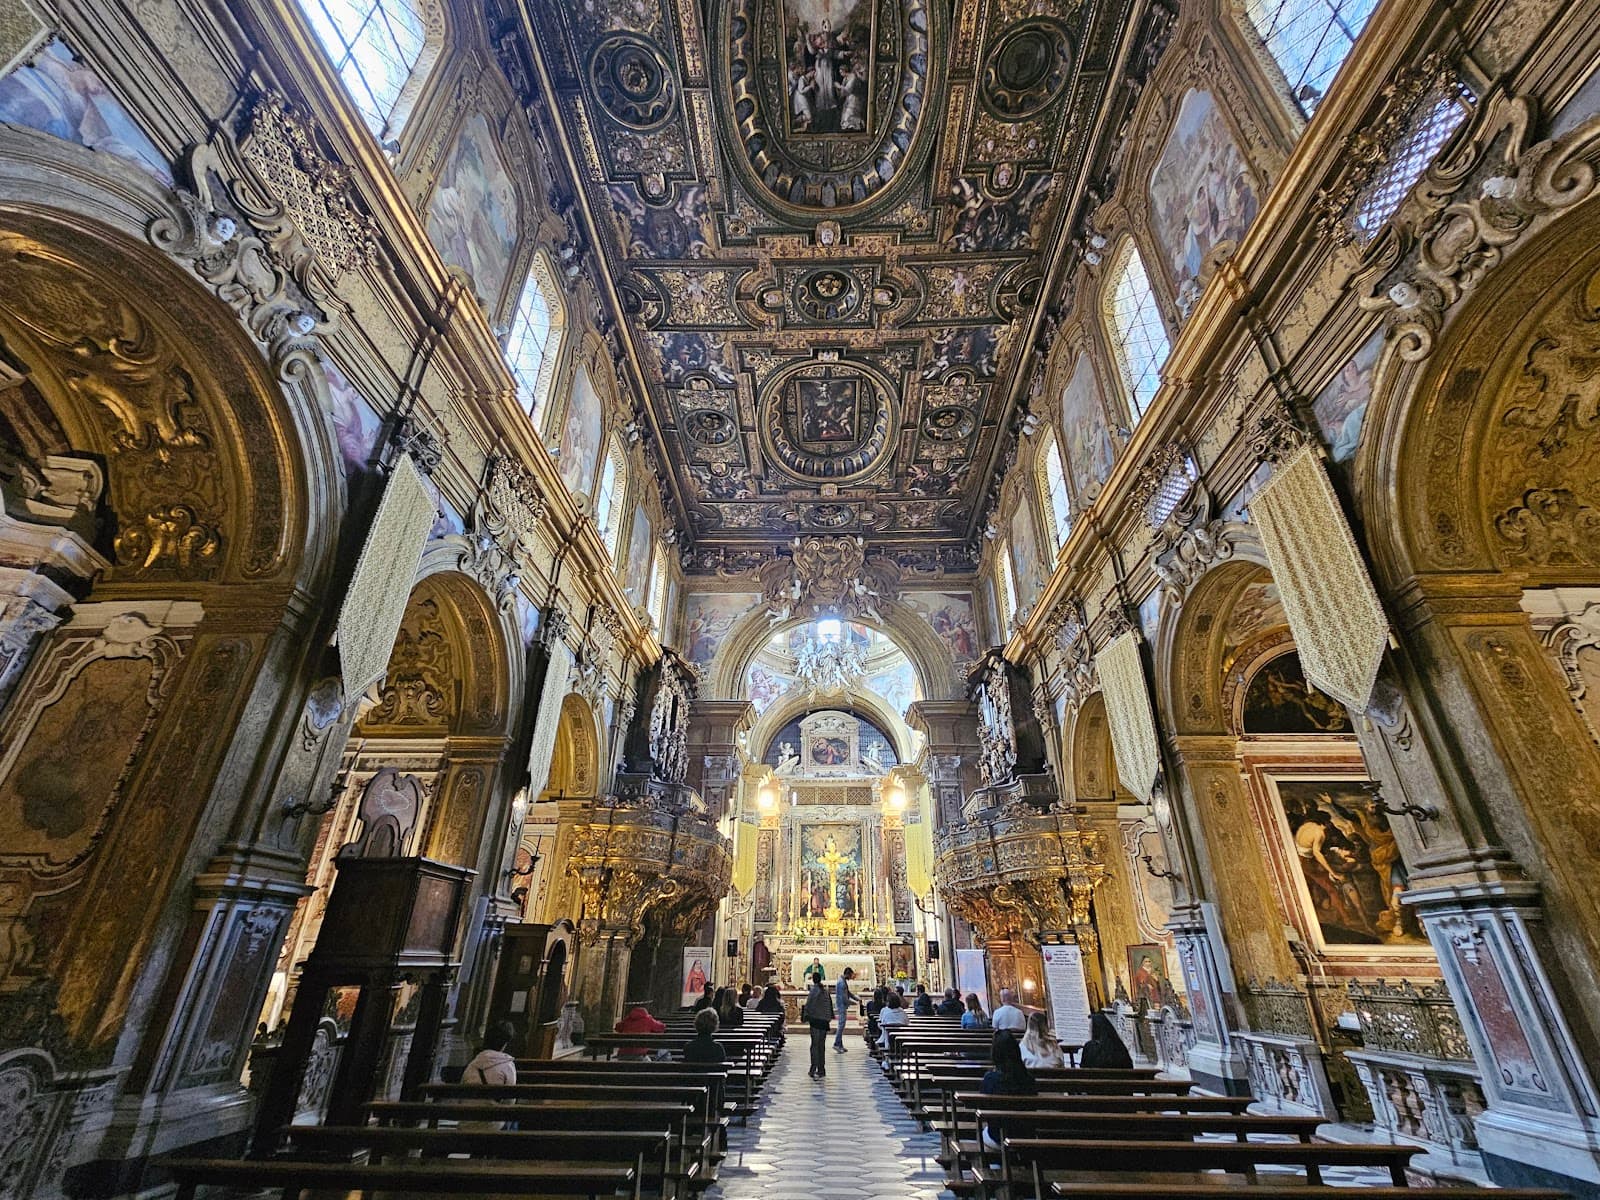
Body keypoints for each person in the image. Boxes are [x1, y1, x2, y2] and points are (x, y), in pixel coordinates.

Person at [979, 1032, 1038, 1148]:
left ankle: (994, 1164)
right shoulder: (1028, 1079)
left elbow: (983, 1107)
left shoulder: (990, 1078)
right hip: (1025, 1133)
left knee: (982, 1134)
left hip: (998, 1135)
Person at [802, 972, 835, 1078]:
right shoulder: (825, 991)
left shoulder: (814, 991)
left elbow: (809, 1005)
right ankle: (821, 1068)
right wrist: (829, 1018)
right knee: (821, 1045)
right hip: (824, 1021)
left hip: (816, 1020)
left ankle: (813, 1067)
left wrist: (806, 1016)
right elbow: (829, 1005)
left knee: (814, 1045)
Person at [833, 967, 859, 1051]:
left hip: (842, 1005)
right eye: (851, 975)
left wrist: (856, 998)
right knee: (841, 1025)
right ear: (848, 974)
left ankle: (840, 1045)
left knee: (842, 1025)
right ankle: (836, 1044)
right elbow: (845, 999)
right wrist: (854, 1003)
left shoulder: (843, 981)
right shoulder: (842, 983)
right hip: (841, 1005)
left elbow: (848, 992)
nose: (851, 977)